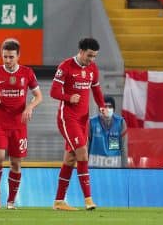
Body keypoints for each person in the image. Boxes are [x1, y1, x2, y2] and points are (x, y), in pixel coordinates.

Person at [0, 38, 43, 210]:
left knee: (15, 163)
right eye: (5, 57)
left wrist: (29, 107)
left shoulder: (27, 73)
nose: (7, 61)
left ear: (18, 56)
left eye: (11, 57)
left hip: (19, 124)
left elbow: (39, 96)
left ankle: (11, 201)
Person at [50, 37, 107, 211]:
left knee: (71, 158)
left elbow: (96, 90)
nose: (92, 59)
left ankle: (59, 201)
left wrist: (102, 106)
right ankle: (88, 200)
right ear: (81, 51)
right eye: (89, 55)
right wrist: (68, 97)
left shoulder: (92, 69)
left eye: (95, 56)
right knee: (82, 154)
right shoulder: (65, 66)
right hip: (67, 119)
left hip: (83, 119)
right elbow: (53, 91)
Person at [88, 95, 127, 168]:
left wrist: (125, 169)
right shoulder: (91, 122)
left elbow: (124, 148)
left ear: (114, 109)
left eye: (110, 107)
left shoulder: (121, 122)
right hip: (94, 168)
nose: (107, 109)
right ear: (100, 108)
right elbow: (86, 147)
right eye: (105, 106)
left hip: (114, 168)